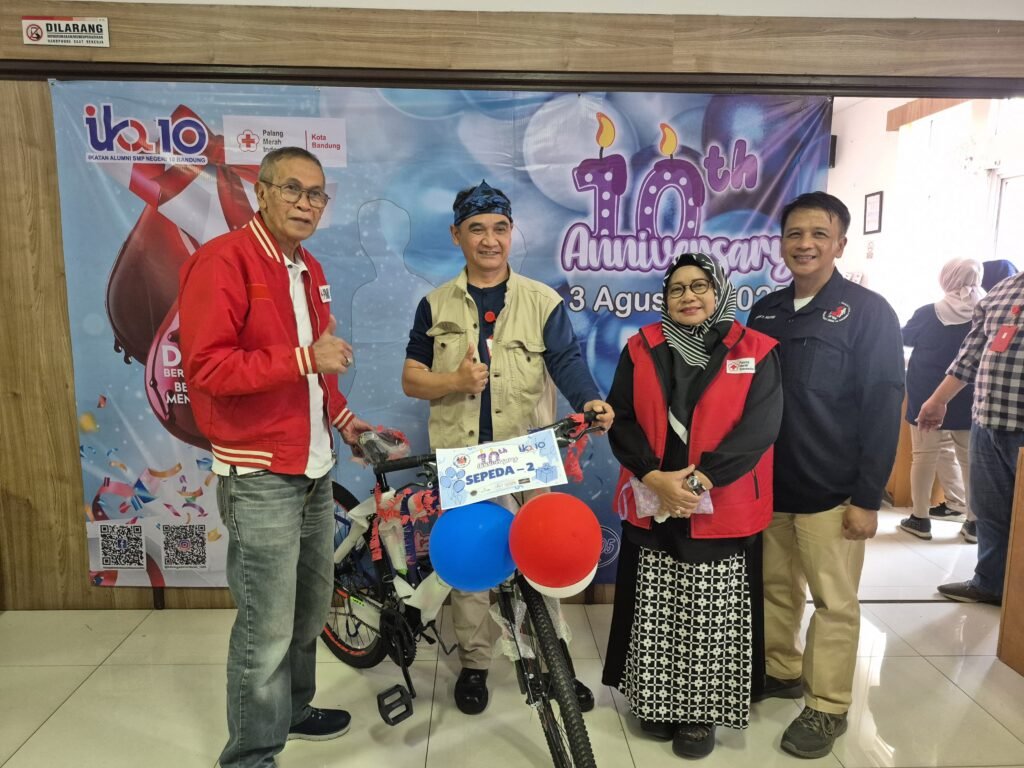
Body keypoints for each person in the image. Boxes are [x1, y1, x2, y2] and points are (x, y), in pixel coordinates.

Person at [179, 147, 372, 768]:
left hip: (314, 469)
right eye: (292, 189)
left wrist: (345, 421)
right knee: (265, 625)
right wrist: (304, 359)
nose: (305, 203)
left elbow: (318, 374)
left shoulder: (308, 267)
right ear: (260, 192)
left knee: (309, 610)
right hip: (258, 472)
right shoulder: (223, 261)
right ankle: (251, 755)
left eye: (316, 194)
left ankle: (292, 711)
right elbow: (208, 369)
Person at [402, 180, 615, 715]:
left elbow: (567, 362)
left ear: (511, 232)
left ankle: (553, 661)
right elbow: (412, 378)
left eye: (499, 228)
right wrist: (453, 381)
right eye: (476, 229)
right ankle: (475, 664)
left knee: (541, 558)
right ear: (456, 235)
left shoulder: (542, 301)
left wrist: (590, 401)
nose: (489, 239)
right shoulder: (434, 305)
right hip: (465, 460)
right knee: (471, 562)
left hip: (526, 458)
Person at [601, 252, 782, 759]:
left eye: (700, 286)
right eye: (677, 288)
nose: (688, 297)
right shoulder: (641, 347)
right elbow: (621, 417)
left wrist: (699, 481)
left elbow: (760, 428)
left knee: (709, 614)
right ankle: (656, 703)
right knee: (656, 608)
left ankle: (700, 714)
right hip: (654, 496)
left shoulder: (756, 349)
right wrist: (655, 477)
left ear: (719, 291)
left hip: (721, 501)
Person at [747, 192, 905, 760]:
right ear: (781, 243)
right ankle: (781, 670)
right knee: (774, 589)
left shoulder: (868, 312)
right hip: (770, 487)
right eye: (794, 233)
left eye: (819, 233)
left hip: (833, 491)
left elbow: (883, 405)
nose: (805, 244)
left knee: (834, 603)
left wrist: (867, 497)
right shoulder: (765, 311)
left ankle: (828, 705)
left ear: (840, 243)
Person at [918, 268, 1024, 605]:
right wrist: (938, 400)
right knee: (989, 510)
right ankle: (989, 583)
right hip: (987, 422)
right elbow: (970, 356)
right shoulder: (1002, 291)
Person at [899, 258, 984, 543]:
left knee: (923, 457)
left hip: (927, 395)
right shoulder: (985, 311)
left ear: (946, 278)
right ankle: (974, 524)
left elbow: (902, 338)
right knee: (970, 460)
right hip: (969, 394)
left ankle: (920, 518)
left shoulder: (929, 312)